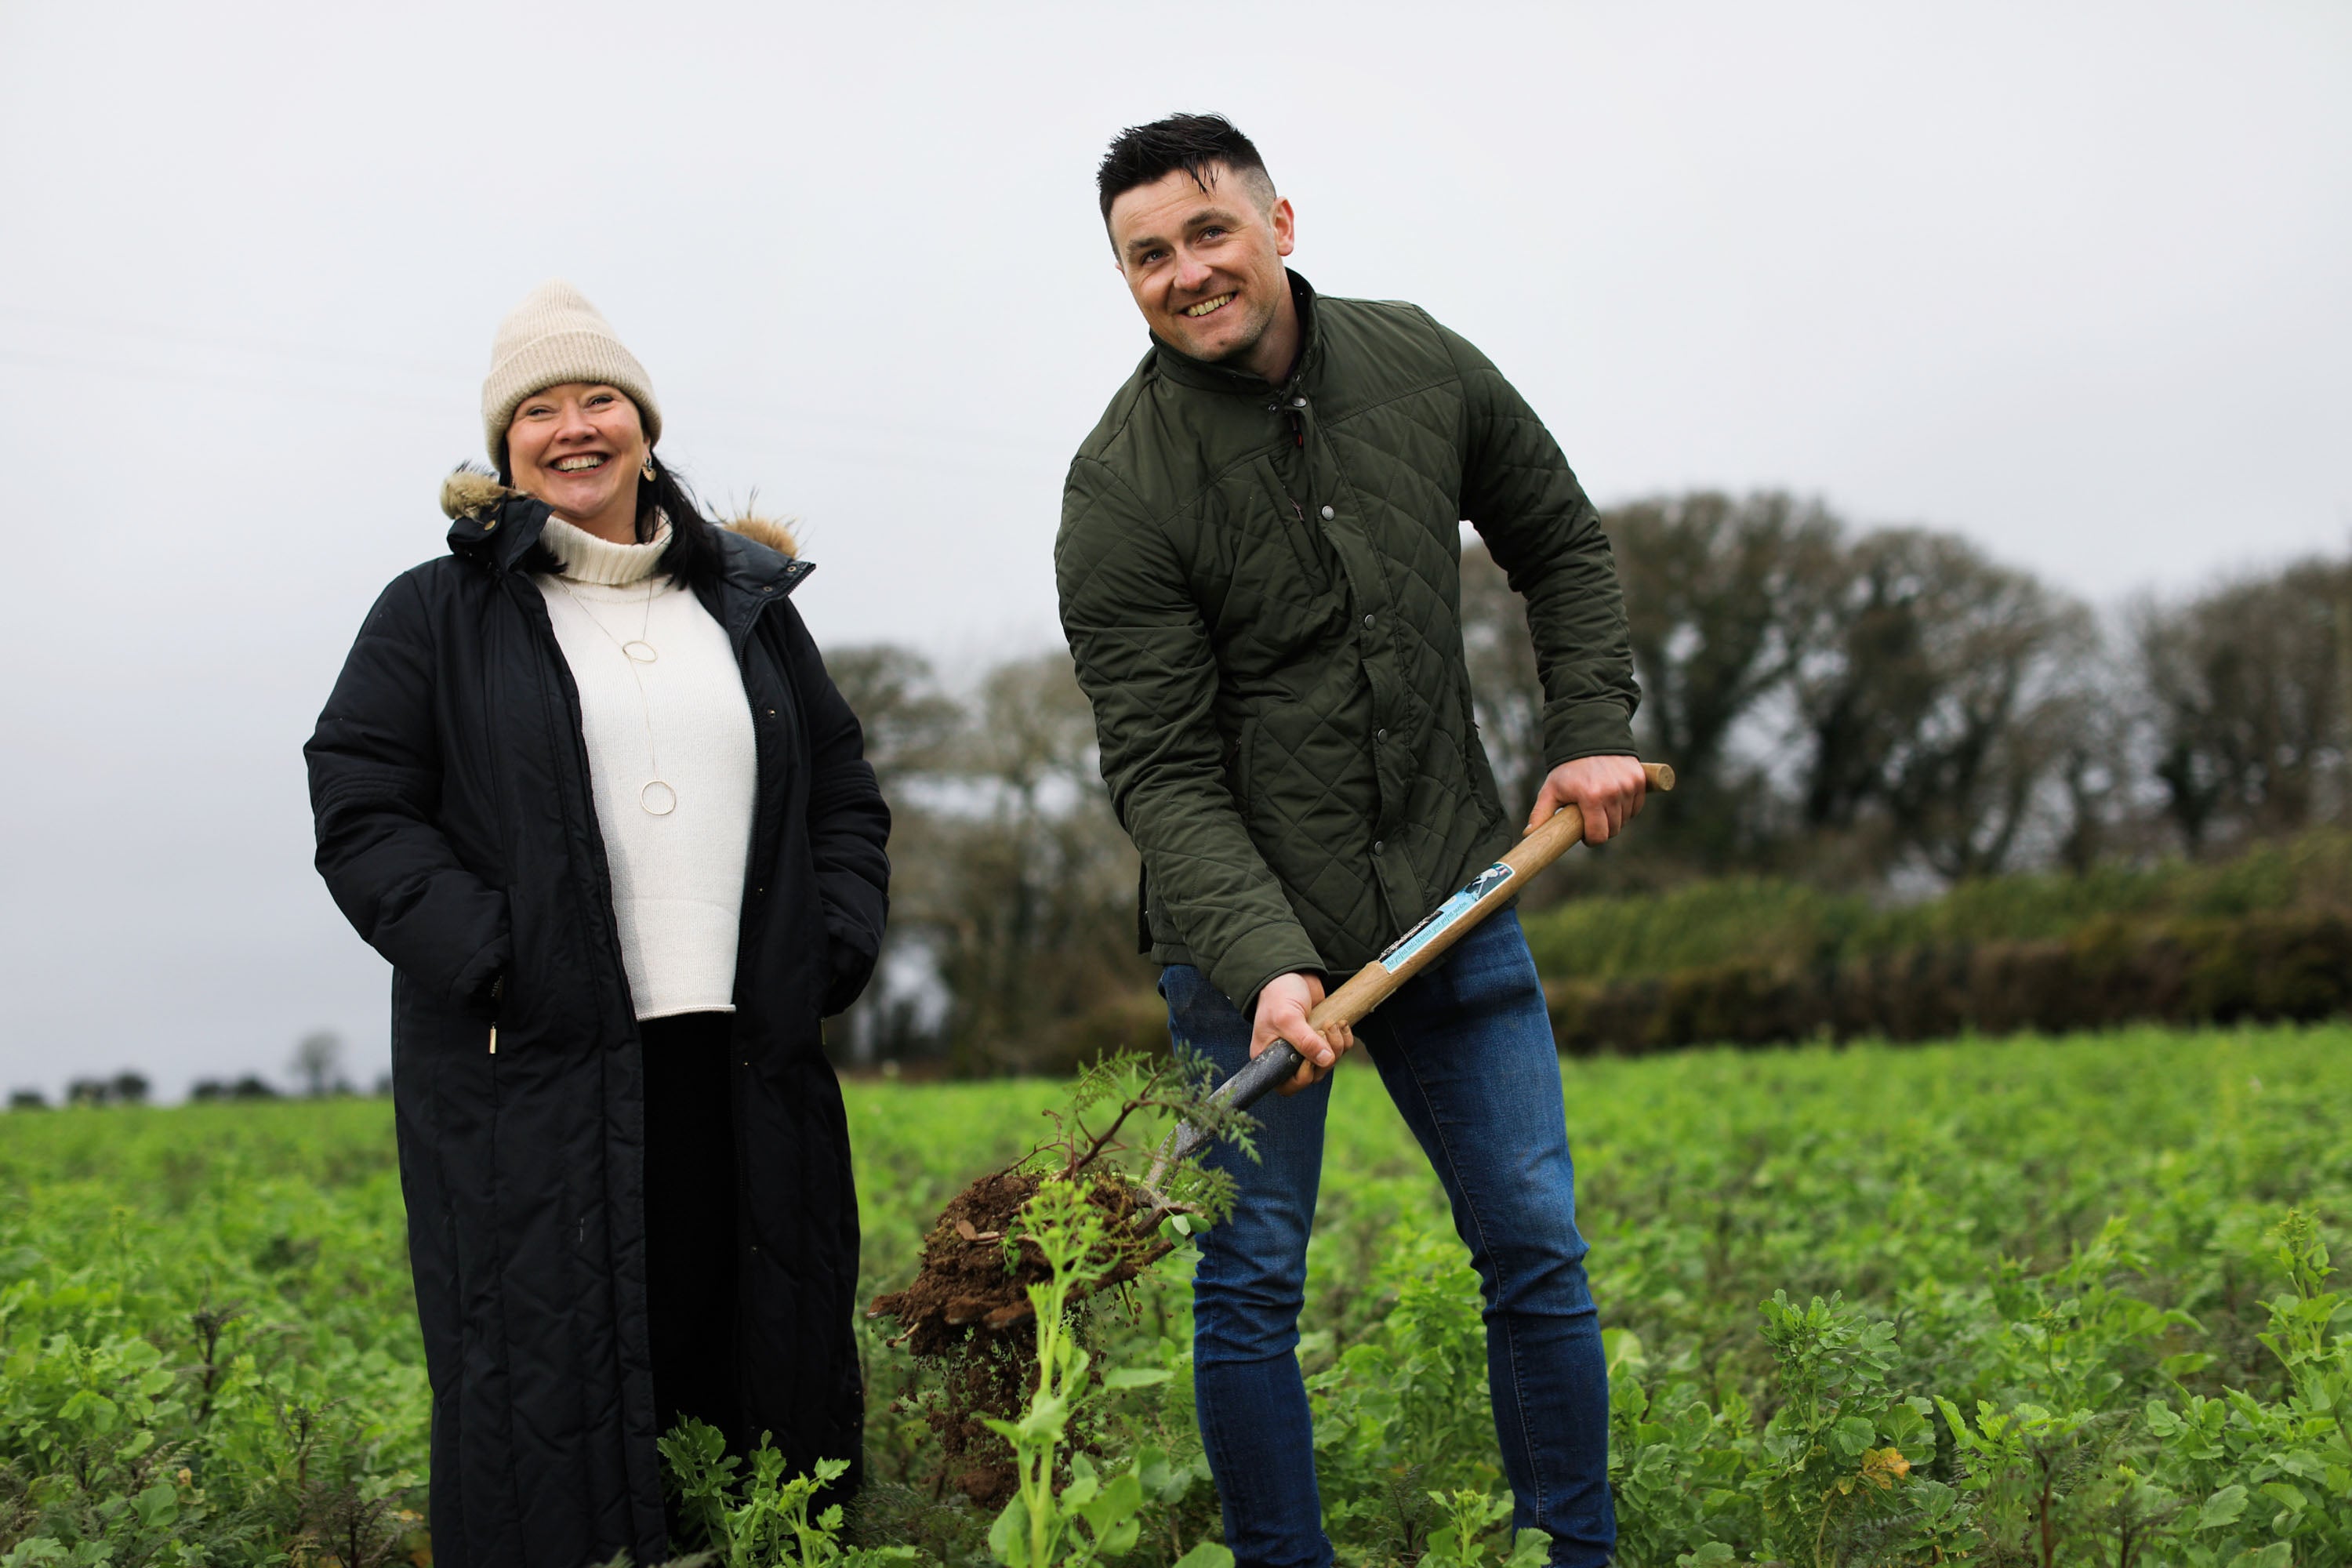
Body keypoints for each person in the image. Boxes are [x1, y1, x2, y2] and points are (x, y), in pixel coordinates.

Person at [1056, 115, 1647, 1568]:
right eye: (1148, 256)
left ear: (1280, 224)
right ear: (1123, 277)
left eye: (1209, 233)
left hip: (1455, 893)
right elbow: (1165, 770)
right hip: (1243, 951)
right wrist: (1264, 963)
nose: (1186, 273)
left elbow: (1558, 539)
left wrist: (1588, 720)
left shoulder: (1419, 360)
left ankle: (1571, 1551)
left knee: (1535, 1248)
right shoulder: (1120, 488)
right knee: (1250, 1284)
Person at [307, 281, 889, 1568]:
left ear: (644, 424)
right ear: (503, 444)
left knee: (749, 1366)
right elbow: (359, 801)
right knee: (551, 1387)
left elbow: (842, 790)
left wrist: (831, 939)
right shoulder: (434, 615)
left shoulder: (750, 608)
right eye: (540, 410)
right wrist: (499, 961)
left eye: (601, 399)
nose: (575, 428)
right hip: (539, 1063)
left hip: (744, 1058)